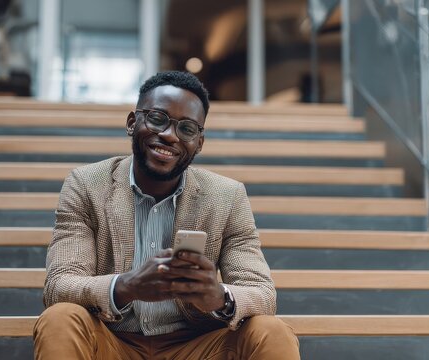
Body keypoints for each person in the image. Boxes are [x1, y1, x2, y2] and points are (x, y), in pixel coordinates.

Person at [33, 71, 300, 359]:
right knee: (60, 318)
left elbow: (262, 292)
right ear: (132, 123)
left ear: (199, 142)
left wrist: (219, 297)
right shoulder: (87, 185)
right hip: (111, 342)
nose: (169, 136)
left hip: (197, 347)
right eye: (157, 119)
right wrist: (126, 286)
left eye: (186, 129)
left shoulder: (227, 196)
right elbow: (60, 285)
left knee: (272, 330)